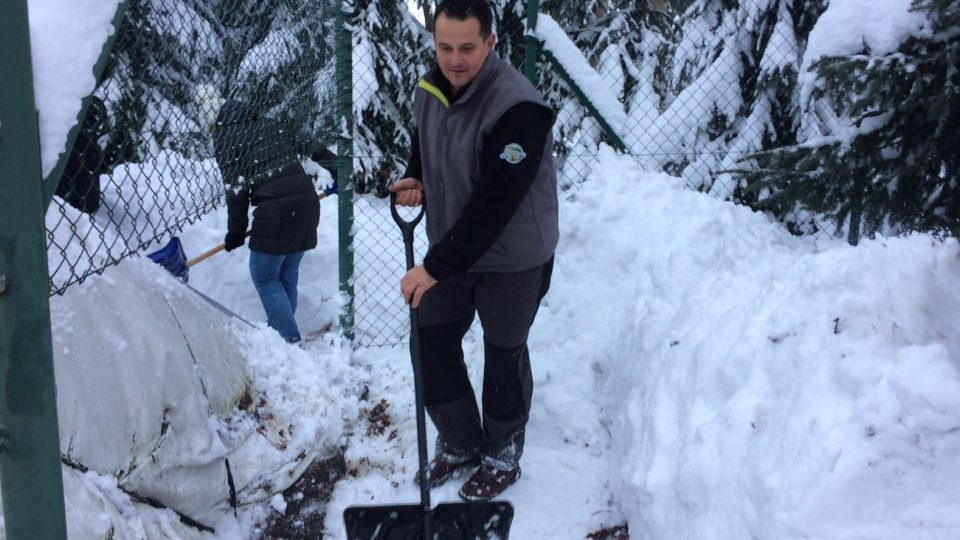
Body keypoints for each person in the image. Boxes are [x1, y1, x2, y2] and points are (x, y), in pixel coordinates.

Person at [389, 0, 558, 501]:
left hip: (513, 254)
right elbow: (426, 139)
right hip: (454, 247)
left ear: (490, 43)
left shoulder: (518, 108)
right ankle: (461, 442)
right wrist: (416, 172)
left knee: (503, 353)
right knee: (431, 340)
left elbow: (495, 204)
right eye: (444, 47)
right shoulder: (431, 86)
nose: (454, 60)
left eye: (467, 48)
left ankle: (502, 451)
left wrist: (434, 266)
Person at [200, 86, 321, 345]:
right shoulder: (267, 122)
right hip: (307, 204)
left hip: (277, 212)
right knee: (287, 273)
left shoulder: (224, 139)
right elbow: (310, 143)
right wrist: (338, 167)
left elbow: (237, 189)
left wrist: (236, 231)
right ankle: (281, 331)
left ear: (212, 122)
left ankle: (288, 341)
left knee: (264, 275)